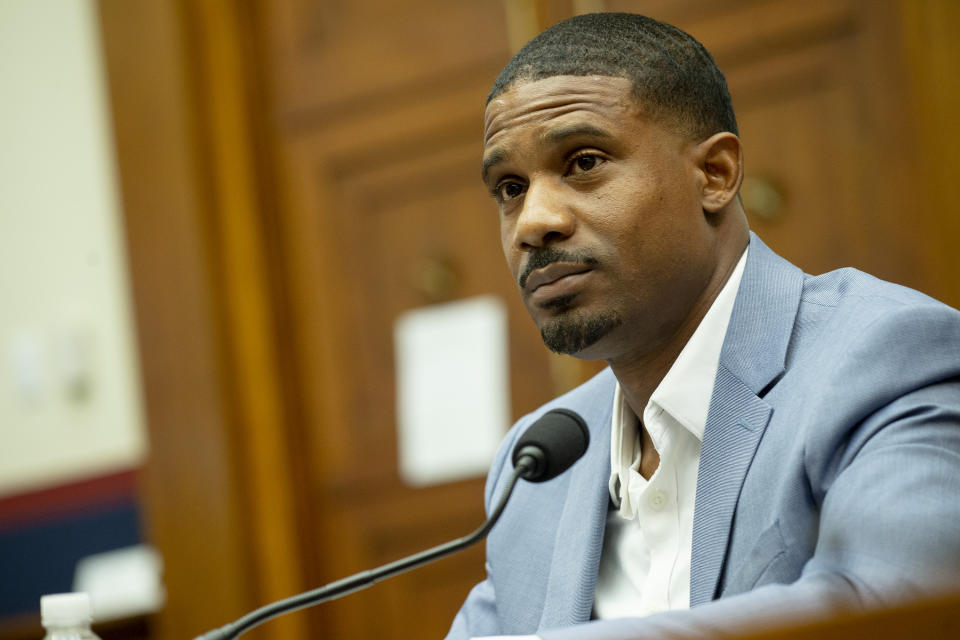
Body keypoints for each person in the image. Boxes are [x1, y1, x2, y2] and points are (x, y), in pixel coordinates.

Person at [446, 12, 960, 640]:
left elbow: (883, 608)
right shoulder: (537, 463)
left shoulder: (886, 358)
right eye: (509, 188)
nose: (534, 221)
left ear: (715, 175)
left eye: (583, 162)